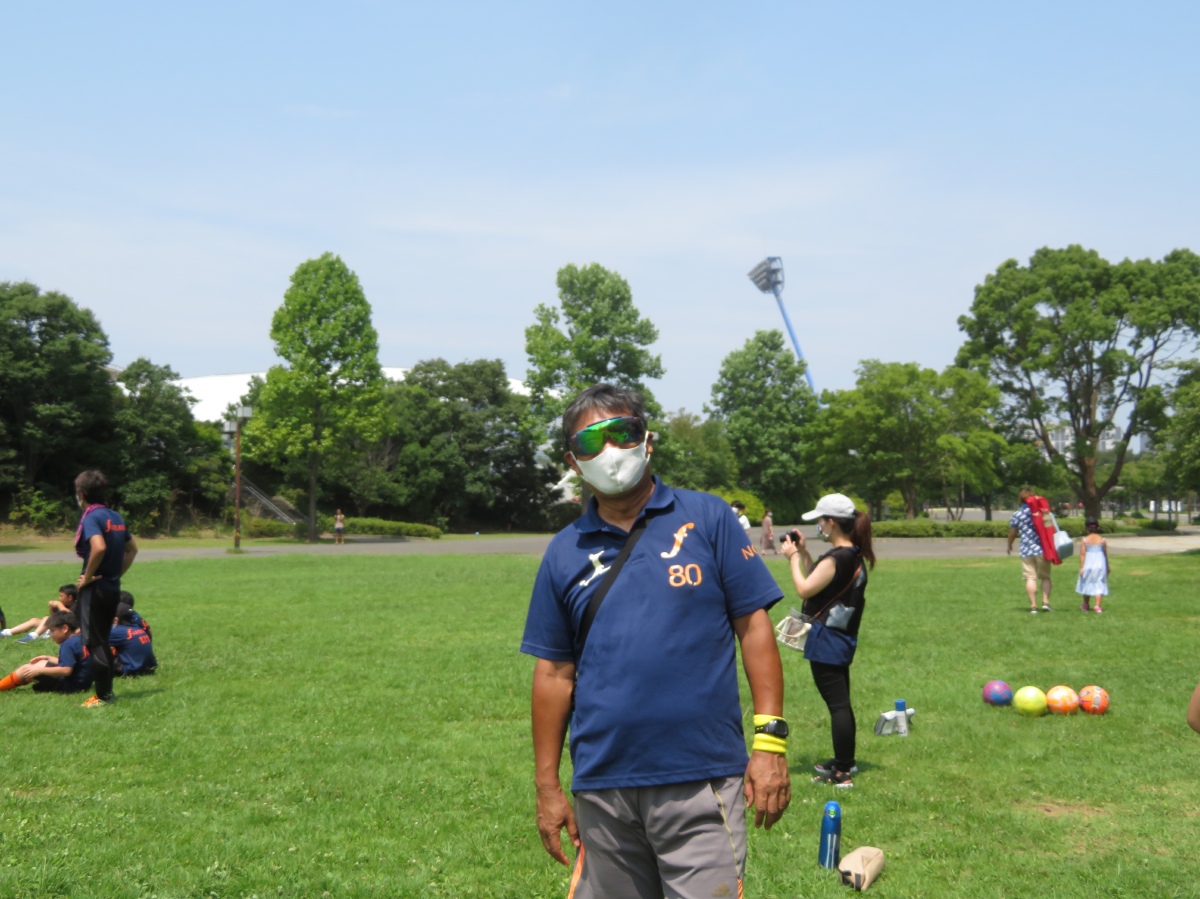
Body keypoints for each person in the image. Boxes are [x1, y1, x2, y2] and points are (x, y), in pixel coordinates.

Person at [521, 383, 790, 899]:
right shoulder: (563, 551)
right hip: (603, 784)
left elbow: (754, 629)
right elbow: (553, 673)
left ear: (647, 440)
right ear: (573, 463)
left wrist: (770, 743)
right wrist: (547, 786)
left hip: (701, 778)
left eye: (621, 432)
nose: (609, 451)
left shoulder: (708, 518)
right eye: (589, 442)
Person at [780, 493, 875, 789]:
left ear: (831, 523)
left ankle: (842, 772)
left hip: (827, 640)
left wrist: (793, 557)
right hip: (840, 638)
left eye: (821, 521)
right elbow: (821, 582)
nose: (819, 526)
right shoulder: (851, 555)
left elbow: (805, 588)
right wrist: (805, 553)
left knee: (838, 706)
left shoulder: (838, 557)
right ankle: (846, 760)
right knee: (841, 703)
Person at [73, 470, 138, 708]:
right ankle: (106, 692)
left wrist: (88, 577)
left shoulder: (92, 517)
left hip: (95, 590)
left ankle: (102, 696)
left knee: (95, 643)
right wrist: (115, 574)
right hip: (112, 588)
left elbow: (98, 547)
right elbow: (132, 549)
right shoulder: (115, 516)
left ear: (82, 494)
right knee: (103, 640)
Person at [0, 611, 93, 695]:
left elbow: (66, 670)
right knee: (40, 663)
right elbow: (74, 663)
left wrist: (39, 671)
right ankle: (6, 682)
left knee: (26, 668)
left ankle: (1, 685)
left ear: (65, 628)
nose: (51, 635)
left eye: (53, 631)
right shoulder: (78, 639)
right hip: (83, 683)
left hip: (71, 686)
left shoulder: (67, 644)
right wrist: (48, 658)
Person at [1007, 487, 1053, 613]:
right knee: (1045, 577)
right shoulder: (1042, 512)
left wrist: (1009, 545)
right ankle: (1045, 602)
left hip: (1026, 550)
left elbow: (1012, 533)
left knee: (1030, 578)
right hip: (1042, 549)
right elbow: (1050, 529)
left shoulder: (1017, 515)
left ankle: (1033, 606)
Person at [2, 584, 77, 643]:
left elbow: (69, 616)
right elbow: (54, 617)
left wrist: (59, 604)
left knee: (46, 618)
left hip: (59, 631)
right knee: (34, 620)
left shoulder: (76, 606)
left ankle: (33, 636)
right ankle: (6, 633)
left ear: (70, 597)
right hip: (52, 628)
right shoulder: (63, 605)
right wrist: (51, 607)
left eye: (61, 596)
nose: (59, 598)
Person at [110, 605, 157, 677]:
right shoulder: (138, 629)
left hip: (130, 670)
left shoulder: (117, 632)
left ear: (116, 619)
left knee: (100, 648)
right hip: (148, 668)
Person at [1075, 517, 1110, 613]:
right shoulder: (1102, 540)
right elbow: (1105, 554)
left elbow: (1082, 554)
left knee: (1087, 582)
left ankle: (1086, 604)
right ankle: (1097, 606)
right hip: (1100, 563)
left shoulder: (1085, 540)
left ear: (1087, 528)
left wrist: (1082, 567)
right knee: (1099, 583)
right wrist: (1107, 566)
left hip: (1088, 563)